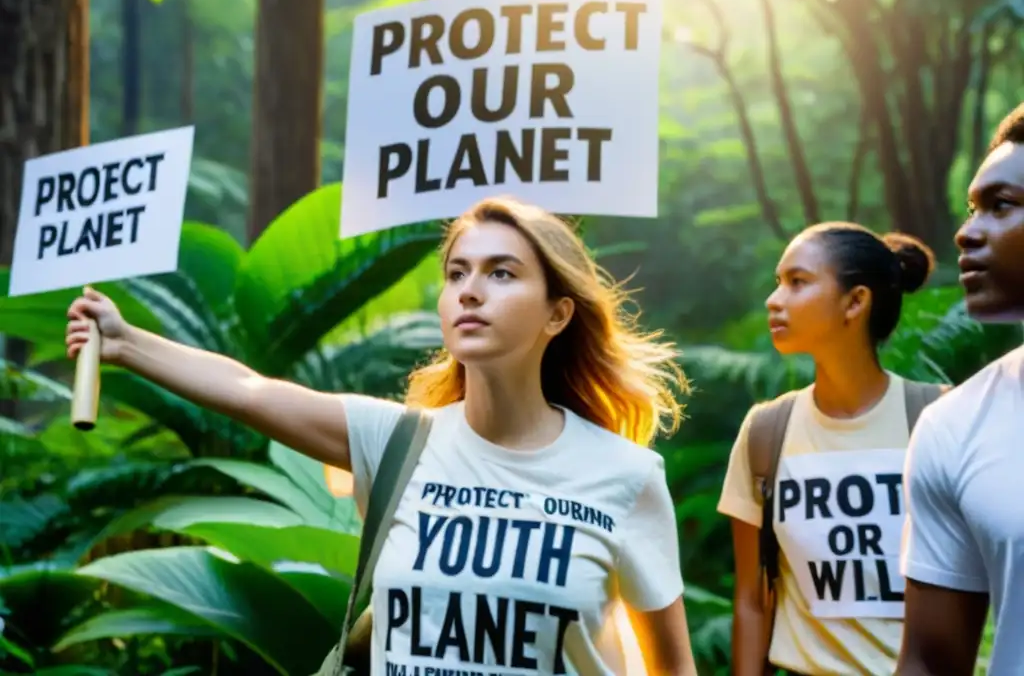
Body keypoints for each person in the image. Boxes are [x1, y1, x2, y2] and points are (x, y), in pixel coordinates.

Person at [65, 196, 698, 676]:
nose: (470, 291)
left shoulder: (625, 477)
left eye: (502, 274)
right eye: (457, 274)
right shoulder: (397, 441)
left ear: (558, 313)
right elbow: (249, 391)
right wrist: (124, 342)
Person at [717, 221, 946, 676]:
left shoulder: (939, 417)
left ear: (856, 301)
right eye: (778, 282)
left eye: (797, 282)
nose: (774, 299)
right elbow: (752, 600)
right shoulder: (767, 430)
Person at [897, 105, 1024, 676]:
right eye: (972, 208)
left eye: (1001, 206)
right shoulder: (955, 426)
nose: (965, 232)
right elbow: (929, 663)